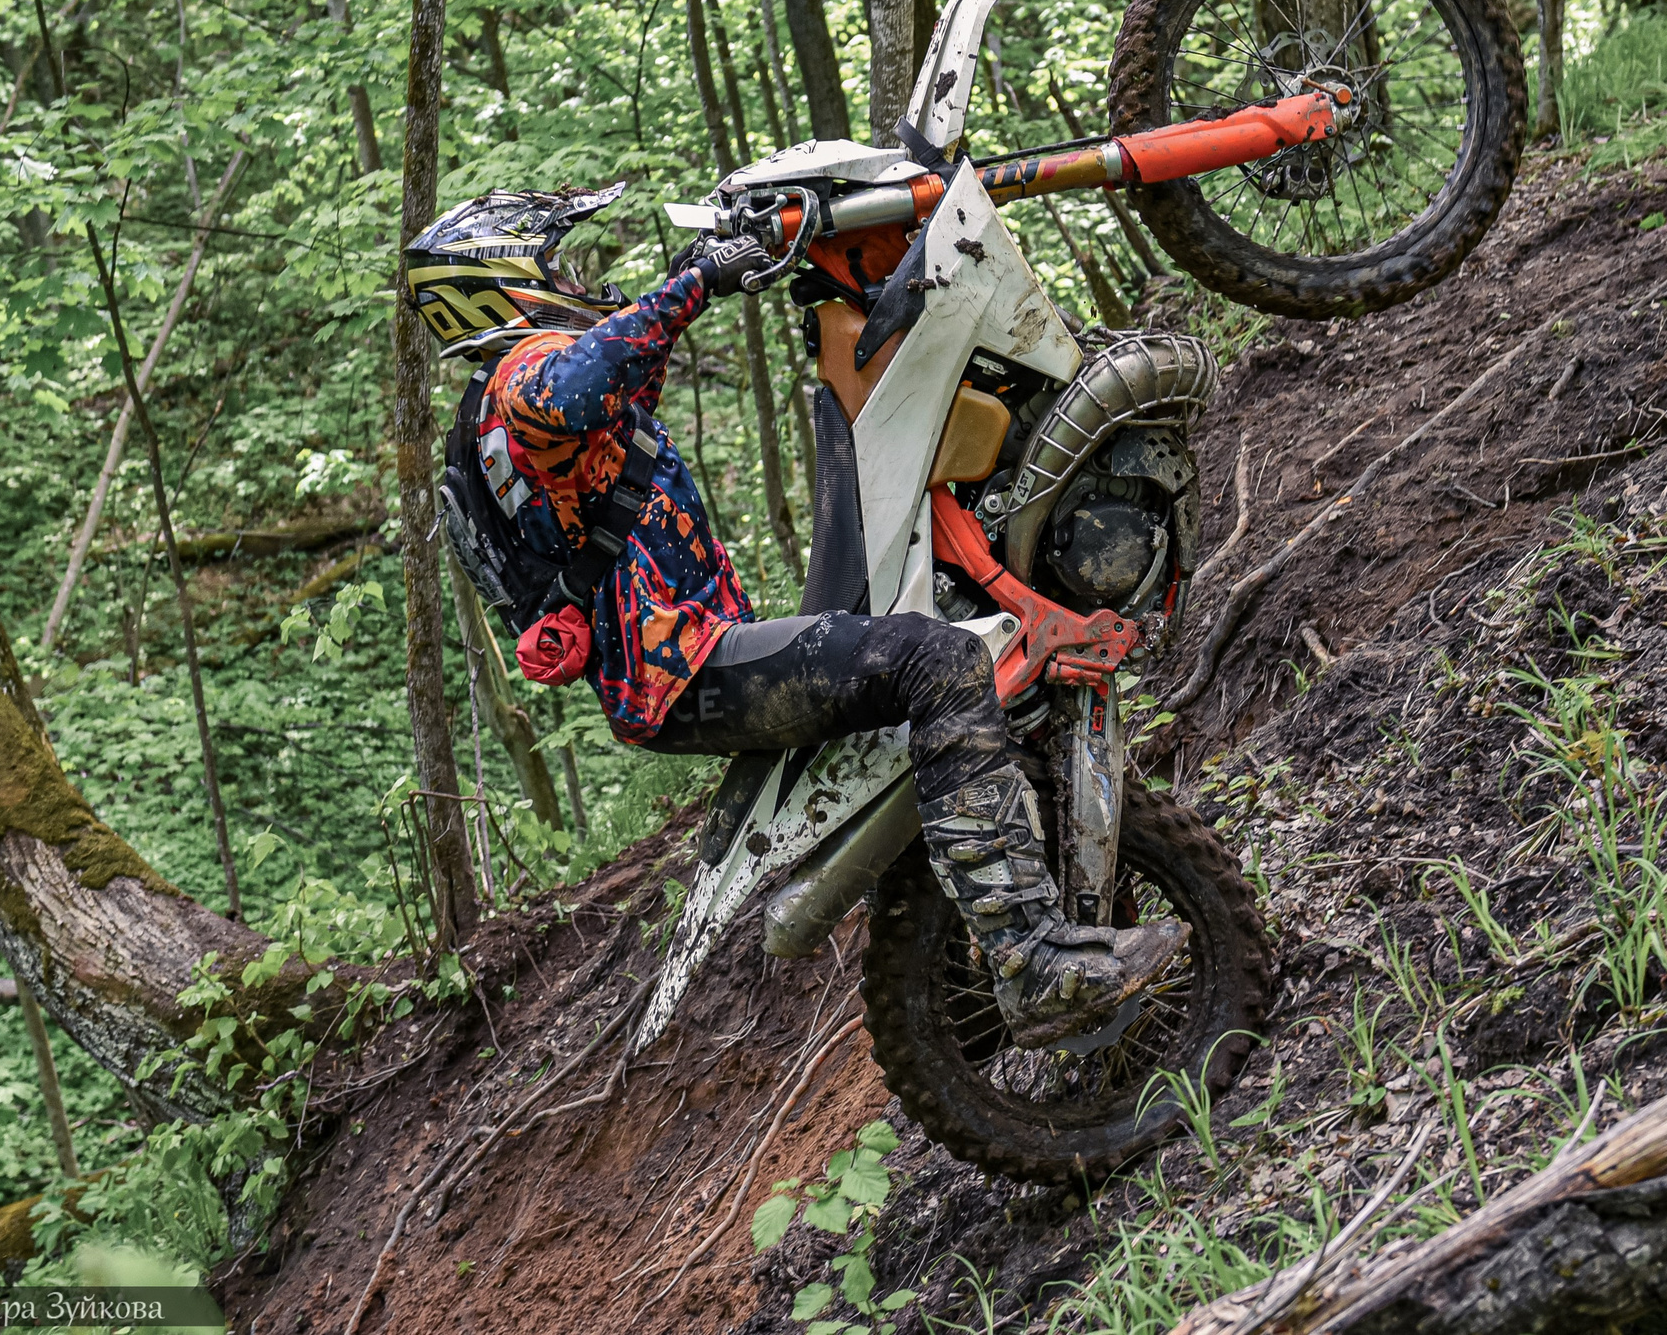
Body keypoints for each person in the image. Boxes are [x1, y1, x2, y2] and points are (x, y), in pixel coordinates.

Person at [404, 184, 1182, 1047]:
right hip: (685, 669)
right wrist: (696, 277)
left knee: (926, 657)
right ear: (503, 281)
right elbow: (575, 387)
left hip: (687, 665)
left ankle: (1002, 938)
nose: (579, 278)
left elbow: (627, 368)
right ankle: (1031, 961)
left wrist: (748, 261)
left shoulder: (499, 423)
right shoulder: (518, 385)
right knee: (939, 663)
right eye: (561, 264)